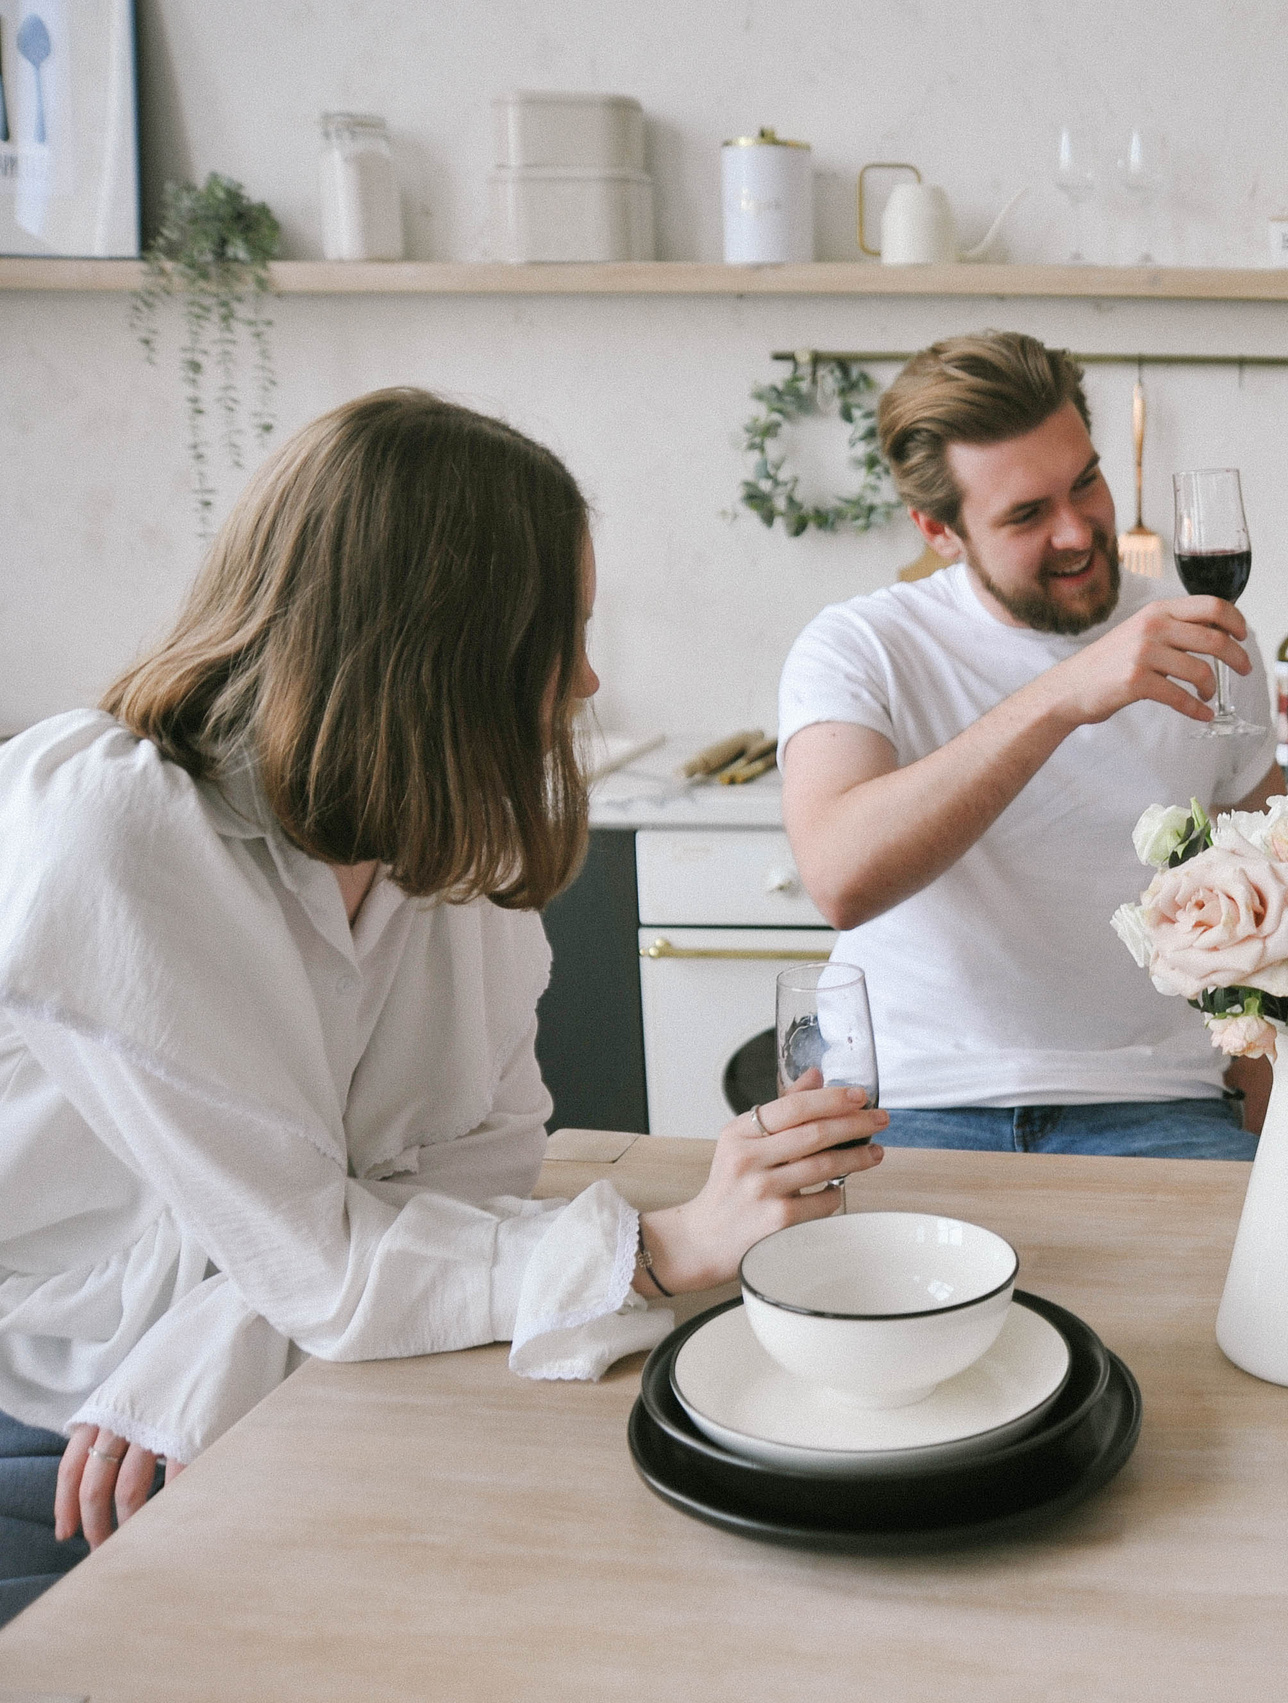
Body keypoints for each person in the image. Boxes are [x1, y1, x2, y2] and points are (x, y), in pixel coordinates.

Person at [0, 391, 887, 1624]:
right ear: (427, 650)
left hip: (243, 1372)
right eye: (554, 636)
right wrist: (663, 1244)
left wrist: (229, 1325)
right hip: (56, 1412)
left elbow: (470, 1169)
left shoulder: (444, 841)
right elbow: (324, 1257)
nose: (585, 678)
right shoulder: (113, 836)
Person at [780, 331, 1281, 1158]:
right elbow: (840, 878)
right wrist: (1064, 694)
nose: (1079, 532)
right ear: (938, 530)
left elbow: (1271, 911)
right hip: (913, 1098)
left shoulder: (1206, 638)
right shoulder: (859, 645)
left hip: (1160, 1102)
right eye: (1026, 514)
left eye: (1086, 483)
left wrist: (1269, 1119)